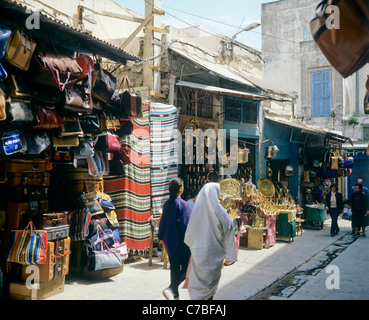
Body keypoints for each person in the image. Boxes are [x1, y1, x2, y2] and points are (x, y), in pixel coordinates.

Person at [184, 182, 237, 300]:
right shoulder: (221, 212)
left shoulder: (197, 212)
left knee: (198, 287)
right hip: (213, 255)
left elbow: (189, 234)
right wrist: (229, 251)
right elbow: (229, 228)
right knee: (209, 289)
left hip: (198, 255)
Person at [158, 177, 191, 300]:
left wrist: (161, 238)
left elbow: (163, 222)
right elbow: (185, 225)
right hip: (181, 243)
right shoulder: (183, 204)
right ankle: (172, 288)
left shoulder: (167, 204)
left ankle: (175, 296)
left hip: (169, 242)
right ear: (180, 188)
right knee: (188, 268)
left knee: (174, 268)